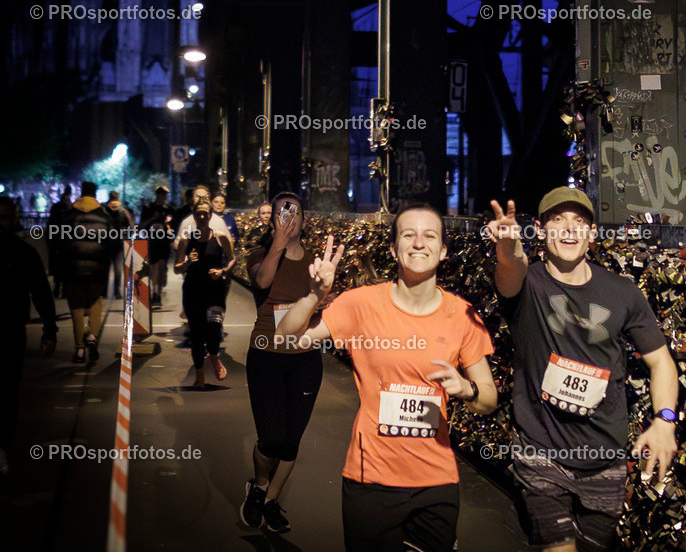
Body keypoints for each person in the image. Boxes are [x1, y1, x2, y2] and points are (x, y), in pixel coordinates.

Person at [274, 202, 498, 550]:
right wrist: (314, 295)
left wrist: (467, 389)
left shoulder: (462, 315)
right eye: (408, 235)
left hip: (436, 481)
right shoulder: (361, 304)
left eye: (429, 236)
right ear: (394, 248)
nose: (419, 243)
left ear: (442, 251)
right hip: (371, 479)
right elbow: (285, 339)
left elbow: (488, 399)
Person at [486, 187, 678, 552]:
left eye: (579, 221)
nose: (569, 229)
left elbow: (661, 362)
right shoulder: (529, 284)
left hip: (604, 460)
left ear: (591, 234)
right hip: (541, 454)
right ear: (541, 231)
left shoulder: (623, 292)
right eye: (558, 220)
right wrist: (508, 247)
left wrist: (665, 420)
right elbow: (511, 267)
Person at [237, 192, 323, 533]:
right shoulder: (260, 254)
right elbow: (262, 281)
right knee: (271, 439)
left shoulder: (317, 260)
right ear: (272, 219)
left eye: (296, 213)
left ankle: (270, 498)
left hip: (305, 360)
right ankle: (258, 486)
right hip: (267, 355)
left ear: (305, 218)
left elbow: (324, 303)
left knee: (291, 440)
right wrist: (279, 242)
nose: (290, 218)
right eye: (283, 213)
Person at [0, 196, 58, 475]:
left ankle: (3, 446)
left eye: (5, 218)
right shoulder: (22, 251)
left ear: (13, 220)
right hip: (11, 327)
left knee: (8, 389)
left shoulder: (22, 252)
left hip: (11, 329)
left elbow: (40, 291)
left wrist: (50, 329)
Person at [173, 200, 234, 387]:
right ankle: (199, 372)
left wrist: (222, 271)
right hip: (193, 290)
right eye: (198, 213)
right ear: (193, 214)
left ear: (210, 215)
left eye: (205, 214)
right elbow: (176, 269)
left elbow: (232, 259)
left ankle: (214, 356)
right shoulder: (186, 239)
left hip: (214, 289)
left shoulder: (221, 237)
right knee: (197, 334)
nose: (201, 217)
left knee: (215, 328)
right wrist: (187, 264)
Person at [62, 181, 116, 363]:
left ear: (81, 192)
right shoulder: (104, 216)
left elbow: (58, 241)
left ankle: (79, 350)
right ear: (95, 195)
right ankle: (92, 336)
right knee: (94, 302)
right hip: (97, 267)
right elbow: (112, 241)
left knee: (76, 306)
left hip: (73, 266)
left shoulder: (69, 215)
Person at [139, 186, 175, 307]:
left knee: (161, 267)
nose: (163, 197)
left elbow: (172, 227)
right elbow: (141, 226)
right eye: (161, 194)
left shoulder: (168, 210)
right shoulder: (149, 208)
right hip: (153, 241)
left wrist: (171, 238)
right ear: (156, 195)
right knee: (153, 268)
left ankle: (158, 294)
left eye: (164, 194)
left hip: (164, 242)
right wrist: (152, 218)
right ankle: (153, 293)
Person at [104, 191, 135, 299]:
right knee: (118, 267)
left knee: (106, 266)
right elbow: (131, 227)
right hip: (119, 241)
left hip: (106, 241)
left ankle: (104, 291)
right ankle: (117, 290)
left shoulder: (104, 210)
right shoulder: (123, 211)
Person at [45, 186, 73, 298]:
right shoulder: (71, 208)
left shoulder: (56, 207)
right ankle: (64, 289)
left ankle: (57, 288)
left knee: (57, 266)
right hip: (66, 241)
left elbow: (50, 223)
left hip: (57, 240)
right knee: (66, 266)